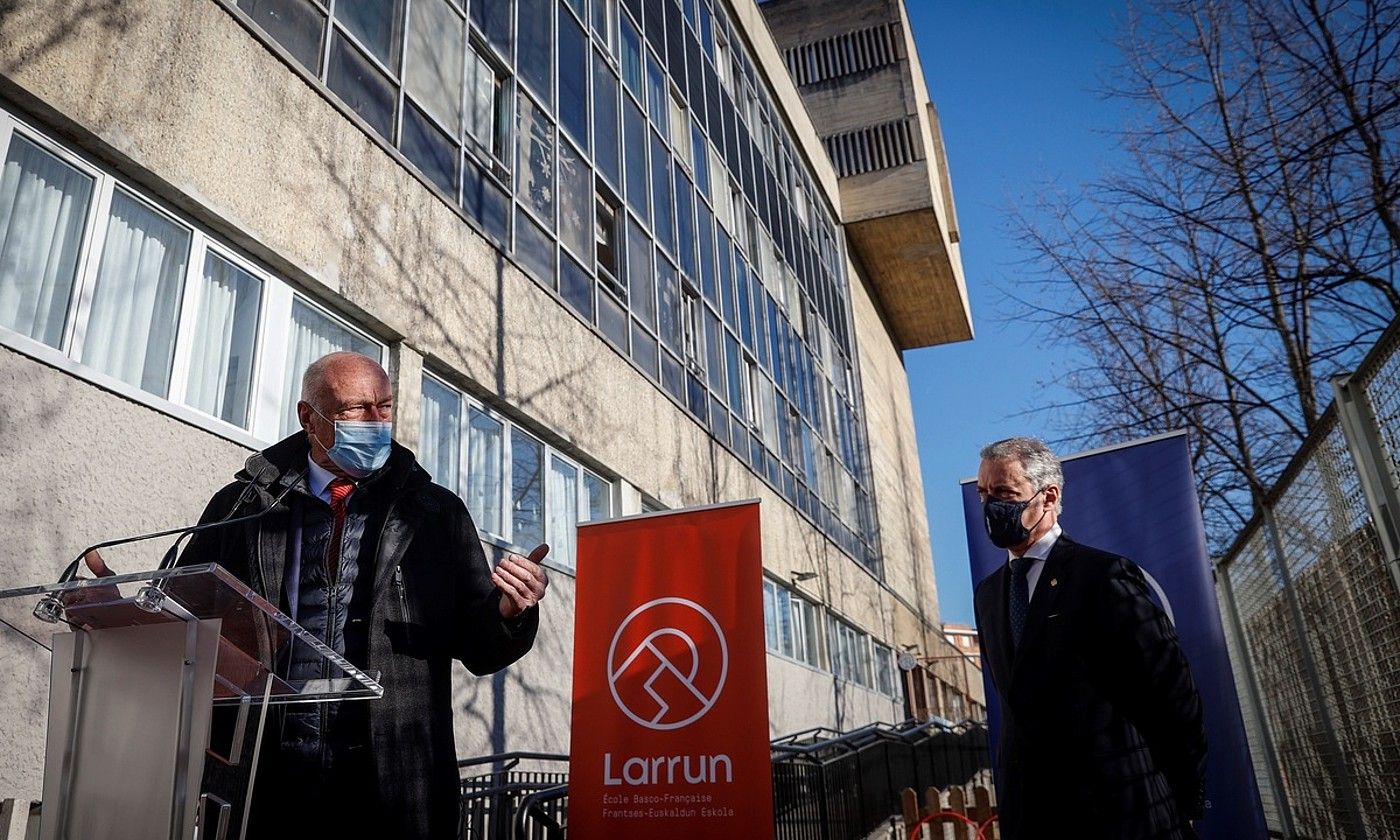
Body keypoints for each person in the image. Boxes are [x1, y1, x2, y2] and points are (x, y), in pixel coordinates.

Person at [178, 351, 548, 838]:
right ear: (309, 417)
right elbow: (191, 607)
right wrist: (135, 615)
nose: (376, 422)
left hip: (391, 780)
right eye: (356, 408)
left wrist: (508, 611)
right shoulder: (245, 505)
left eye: (385, 407)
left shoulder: (434, 514)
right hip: (268, 778)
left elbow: (480, 647)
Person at [972, 437, 1206, 840]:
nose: (991, 506)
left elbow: (1173, 698)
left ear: (1048, 497)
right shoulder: (989, 594)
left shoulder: (1103, 576)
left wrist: (1181, 801)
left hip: (1123, 813)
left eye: (1004, 493)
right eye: (983, 494)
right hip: (1035, 817)